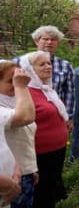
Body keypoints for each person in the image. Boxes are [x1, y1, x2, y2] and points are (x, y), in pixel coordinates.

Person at [19, 51, 69, 208]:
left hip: (56, 151)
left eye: (49, 63)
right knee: (41, 194)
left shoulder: (46, 89)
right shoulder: (25, 92)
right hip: (39, 154)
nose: (48, 66)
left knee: (50, 192)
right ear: (29, 69)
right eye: (42, 64)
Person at [0, 61, 36, 208]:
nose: (15, 85)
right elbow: (26, 117)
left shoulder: (13, 102)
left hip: (19, 174)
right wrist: (21, 86)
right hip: (7, 182)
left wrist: (29, 168)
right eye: (11, 81)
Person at [28, 26, 74, 129]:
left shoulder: (65, 66)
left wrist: (69, 117)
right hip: (30, 116)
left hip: (56, 116)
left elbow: (70, 93)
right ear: (36, 41)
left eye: (53, 39)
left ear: (57, 43)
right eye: (45, 39)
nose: (49, 42)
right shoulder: (24, 63)